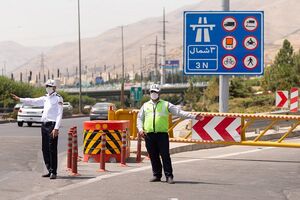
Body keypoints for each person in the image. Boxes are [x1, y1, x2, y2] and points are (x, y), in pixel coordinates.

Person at [137, 84, 203, 184]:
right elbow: (140, 118)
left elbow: (179, 112)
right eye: (152, 92)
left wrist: (193, 116)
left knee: (165, 155)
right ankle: (157, 175)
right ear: (150, 93)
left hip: (162, 135)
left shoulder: (166, 104)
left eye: (155, 92)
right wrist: (140, 129)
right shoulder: (145, 106)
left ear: (159, 93)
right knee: (153, 156)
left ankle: (169, 176)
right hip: (149, 135)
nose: (154, 94)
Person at [11, 79, 63, 180]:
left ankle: (54, 171)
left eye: (49, 86)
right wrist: (20, 99)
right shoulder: (45, 98)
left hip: (52, 125)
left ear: (54, 87)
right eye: (46, 86)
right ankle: (49, 170)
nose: (47, 87)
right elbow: (32, 100)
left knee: (52, 148)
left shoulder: (58, 98)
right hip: (44, 125)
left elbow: (59, 114)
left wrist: (56, 128)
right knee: (45, 149)